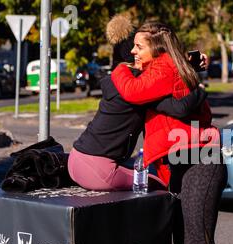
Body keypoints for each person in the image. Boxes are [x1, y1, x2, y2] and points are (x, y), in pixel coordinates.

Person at [110, 22, 227, 244]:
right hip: (177, 162)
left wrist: (117, 68)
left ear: (158, 48)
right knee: (184, 243)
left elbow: (133, 92)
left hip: (200, 158)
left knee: (198, 242)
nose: (133, 51)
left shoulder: (163, 67)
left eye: (139, 46)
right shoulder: (165, 67)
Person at [68, 15, 207, 191]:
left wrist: (189, 63)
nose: (135, 51)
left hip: (76, 158)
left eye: (138, 47)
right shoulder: (141, 87)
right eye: (135, 47)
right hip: (98, 169)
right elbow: (180, 107)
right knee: (161, 186)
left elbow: (163, 72)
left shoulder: (117, 80)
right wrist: (200, 91)